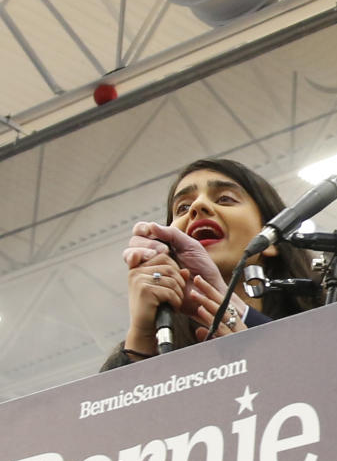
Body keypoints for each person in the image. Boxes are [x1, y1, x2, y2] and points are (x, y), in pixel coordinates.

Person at [101, 158, 321, 370]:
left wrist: (240, 316)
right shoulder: (145, 343)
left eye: (225, 198)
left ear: (271, 239)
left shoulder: (324, 328)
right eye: (182, 208)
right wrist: (141, 333)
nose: (198, 205)